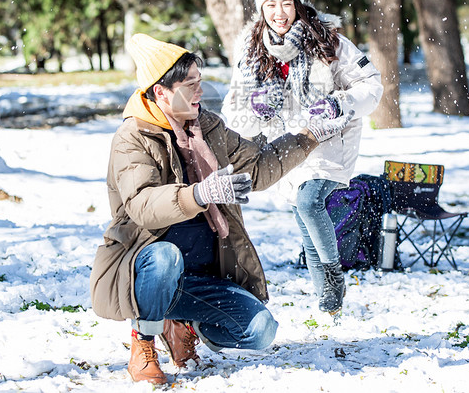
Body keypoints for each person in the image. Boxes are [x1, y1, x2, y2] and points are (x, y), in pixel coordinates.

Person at [90, 33, 354, 385]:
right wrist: (199, 194)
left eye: (200, 81)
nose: (199, 91)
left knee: (261, 331)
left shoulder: (208, 127)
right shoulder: (133, 137)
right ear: (161, 92)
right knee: (165, 257)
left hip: (200, 275)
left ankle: (182, 321)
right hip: (146, 266)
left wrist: (309, 136)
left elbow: (258, 167)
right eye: (189, 85)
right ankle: (143, 342)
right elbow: (143, 206)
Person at [222, 0, 383, 315]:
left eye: (286, 3)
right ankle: (329, 308)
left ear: (298, 4)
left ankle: (334, 279)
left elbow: (372, 86)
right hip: (286, 150)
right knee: (302, 217)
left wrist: (339, 103)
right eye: (270, 5)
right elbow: (234, 115)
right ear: (261, 10)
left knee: (311, 202)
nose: (279, 13)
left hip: (328, 142)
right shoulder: (250, 53)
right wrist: (255, 106)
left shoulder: (329, 42)